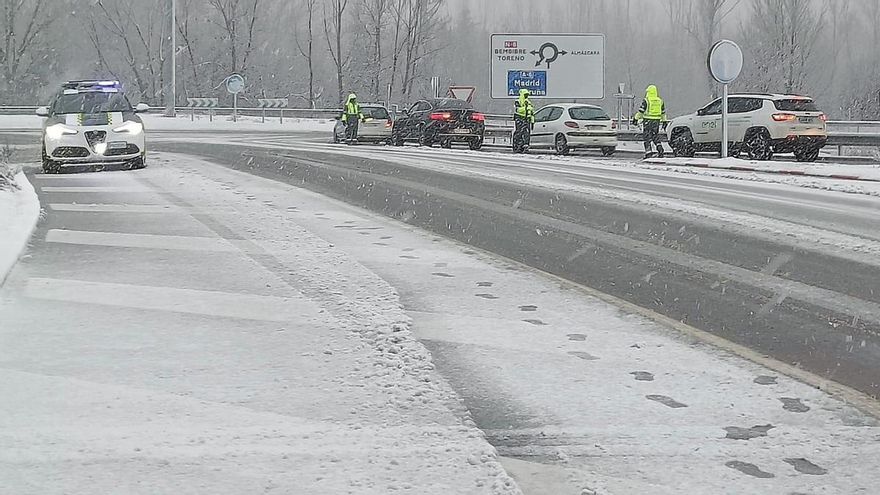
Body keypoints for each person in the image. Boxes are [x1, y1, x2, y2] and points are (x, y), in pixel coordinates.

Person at [633, 85, 668, 158]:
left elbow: (641, 112)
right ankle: (660, 149)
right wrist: (664, 121)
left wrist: (636, 119)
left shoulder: (646, 100)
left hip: (647, 121)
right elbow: (663, 113)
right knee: (655, 136)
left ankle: (648, 153)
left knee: (647, 137)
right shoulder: (660, 101)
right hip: (656, 121)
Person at [512, 89, 535, 154]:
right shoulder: (518, 101)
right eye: (525, 95)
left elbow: (532, 113)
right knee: (519, 133)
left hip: (527, 120)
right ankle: (517, 146)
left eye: (527, 95)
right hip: (519, 119)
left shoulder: (528, 102)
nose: (526, 96)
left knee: (526, 134)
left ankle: (525, 145)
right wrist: (526, 108)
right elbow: (518, 110)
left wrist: (532, 121)